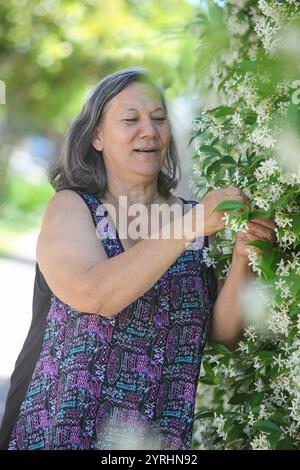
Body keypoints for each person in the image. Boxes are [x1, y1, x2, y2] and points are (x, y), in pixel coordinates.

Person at [0, 67, 276, 450]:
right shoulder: (72, 207)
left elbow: (222, 333)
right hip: (59, 433)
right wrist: (191, 225)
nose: (149, 131)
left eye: (159, 119)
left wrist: (245, 254)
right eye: (131, 120)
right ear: (96, 135)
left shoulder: (194, 218)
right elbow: (95, 293)